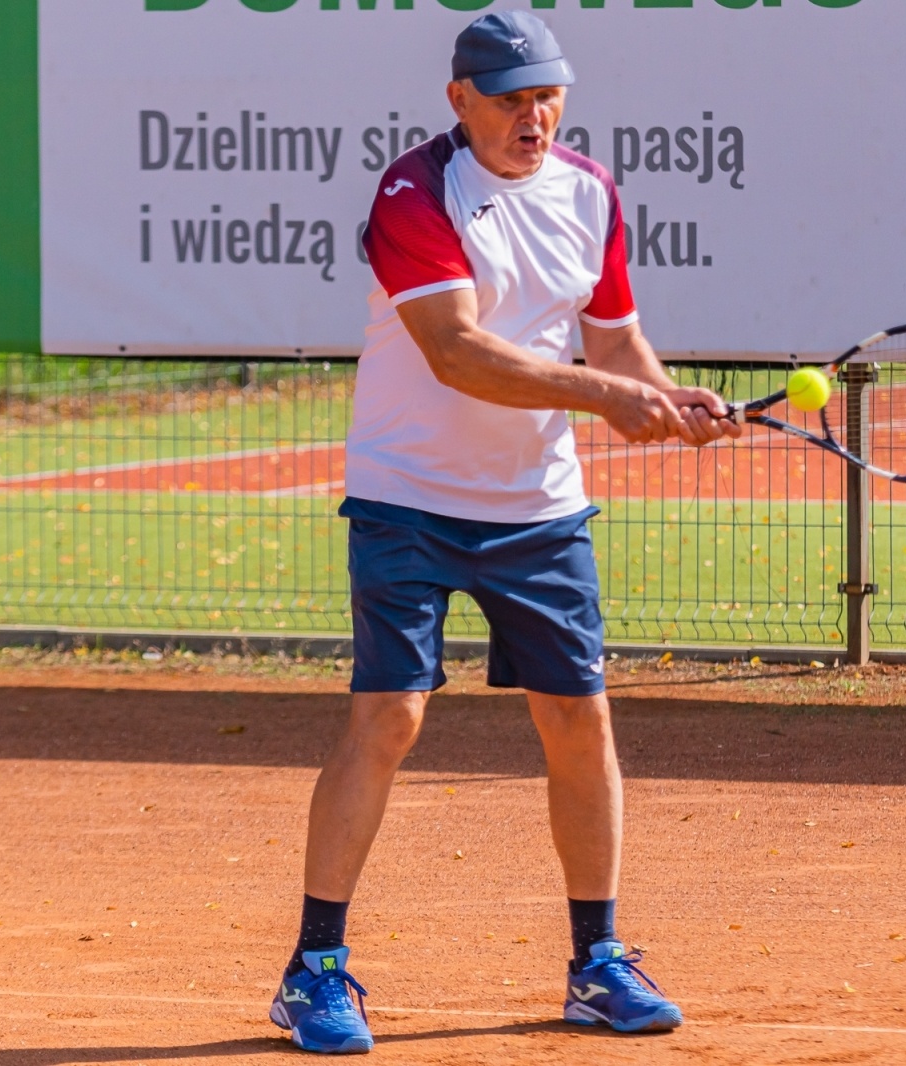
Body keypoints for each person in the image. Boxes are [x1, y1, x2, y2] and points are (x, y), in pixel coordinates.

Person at [267, 10, 739, 1054]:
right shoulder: (412, 193)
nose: (535, 114)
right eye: (511, 96)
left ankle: (597, 962)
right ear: (460, 100)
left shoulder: (589, 192)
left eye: (547, 94)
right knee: (388, 716)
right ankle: (315, 970)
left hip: (537, 508)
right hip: (408, 493)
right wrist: (606, 398)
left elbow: (614, 337)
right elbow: (457, 352)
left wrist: (665, 397)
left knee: (581, 724)